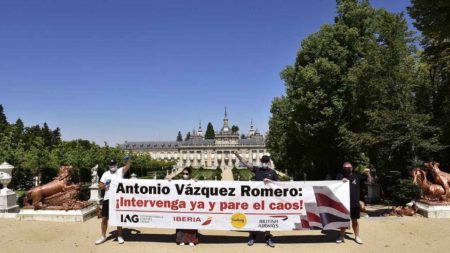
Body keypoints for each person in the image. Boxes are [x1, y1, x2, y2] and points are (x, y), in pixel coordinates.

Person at [233, 151, 278, 248]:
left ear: (269, 162)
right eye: (263, 161)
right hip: (256, 200)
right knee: (253, 217)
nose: (264, 163)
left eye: (266, 161)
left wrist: (271, 181)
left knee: (268, 218)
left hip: (267, 201)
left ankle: (267, 236)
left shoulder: (272, 173)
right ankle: (252, 236)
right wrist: (237, 155)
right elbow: (246, 163)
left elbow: (279, 185)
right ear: (261, 162)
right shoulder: (257, 170)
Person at [95, 156, 131, 245]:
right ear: (108, 165)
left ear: (116, 164)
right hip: (108, 198)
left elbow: (128, 166)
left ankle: (119, 235)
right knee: (104, 218)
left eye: (114, 164)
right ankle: (103, 236)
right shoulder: (105, 174)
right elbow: (100, 186)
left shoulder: (120, 171)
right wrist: (106, 184)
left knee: (118, 217)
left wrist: (128, 159)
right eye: (111, 164)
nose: (112, 166)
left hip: (118, 198)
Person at [335, 162, 371, 245]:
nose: (347, 169)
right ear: (343, 168)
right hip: (343, 203)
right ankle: (341, 236)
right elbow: (334, 184)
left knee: (355, 220)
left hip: (354, 203)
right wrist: (340, 181)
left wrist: (368, 173)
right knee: (343, 221)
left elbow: (369, 181)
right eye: (345, 167)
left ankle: (357, 237)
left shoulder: (357, 176)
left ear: (352, 167)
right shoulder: (340, 175)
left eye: (349, 167)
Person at [175, 167, 199, 246]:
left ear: (190, 174)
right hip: (181, 205)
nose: (185, 175)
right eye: (183, 174)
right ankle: (181, 240)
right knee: (181, 222)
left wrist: (197, 182)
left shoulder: (193, 182)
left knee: (191, 222)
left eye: (186, 174)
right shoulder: (179, 182)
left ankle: (191, 240)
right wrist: (168, 179)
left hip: (191, 206)